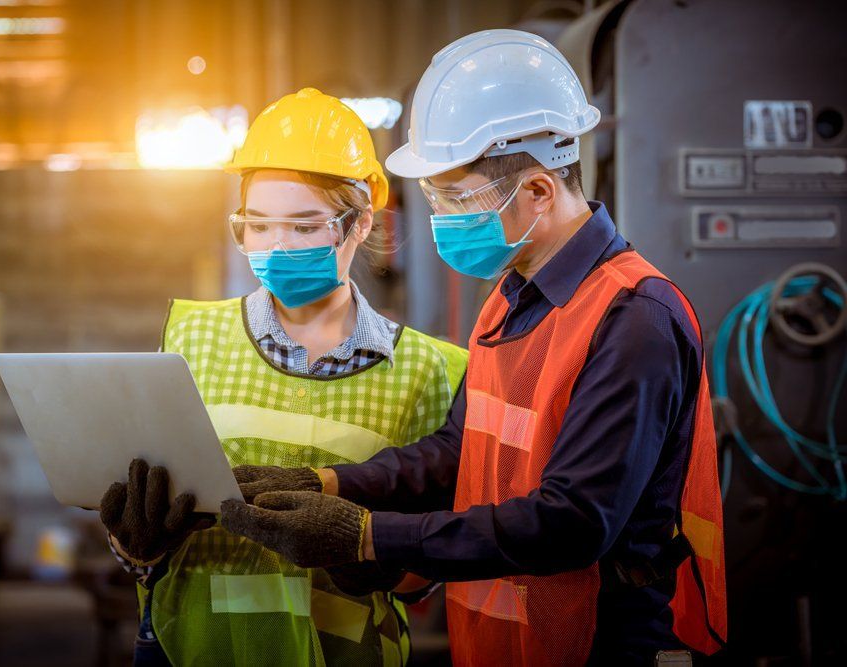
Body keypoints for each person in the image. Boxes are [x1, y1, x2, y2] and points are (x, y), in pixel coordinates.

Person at [221, 31, 727, 666]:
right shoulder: (512, 296)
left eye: (455, 197)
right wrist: (326, 483)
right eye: (434, 198)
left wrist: (368, 537)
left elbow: (572, 522)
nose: (440, 217)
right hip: (503, 640)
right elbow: (459, 450)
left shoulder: (634, 319)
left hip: (602, 643)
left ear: (539, 192)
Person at [98, 87, 468, 666]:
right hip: (189, 647)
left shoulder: (430, 371)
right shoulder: (190, 338)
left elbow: (427, 568)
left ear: (360, 223)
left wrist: (360, 553)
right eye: (259, 225)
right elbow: (147, 517)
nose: (277, 245)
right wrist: (134, 544)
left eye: (303, 226)